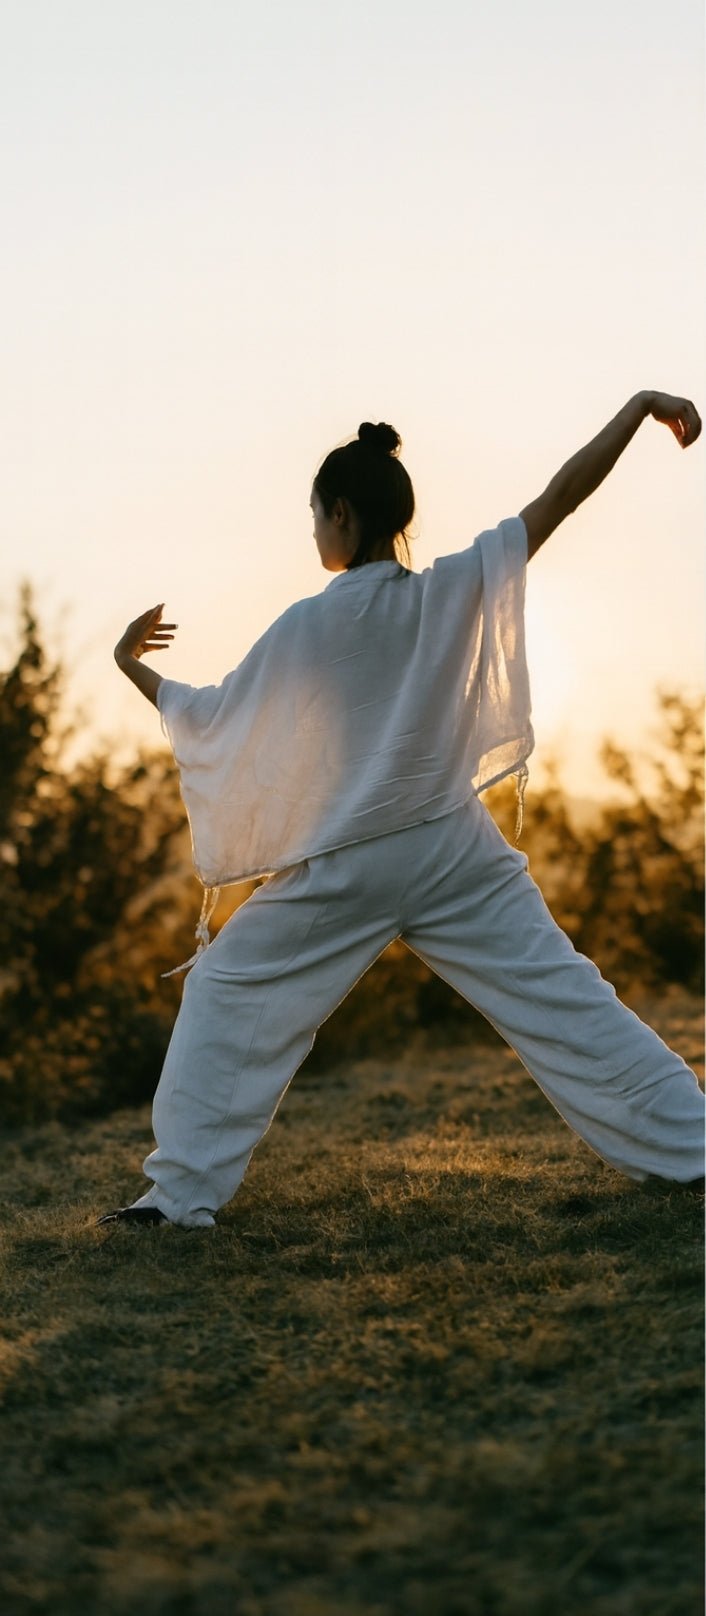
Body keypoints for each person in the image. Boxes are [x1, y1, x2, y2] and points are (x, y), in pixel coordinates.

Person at [99, 391, 705, 1229]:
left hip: (351, 861)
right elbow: (561, 497)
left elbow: (212, 716)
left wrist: (129, 663)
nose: (314, 530)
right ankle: (696, 1146)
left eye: (316, 515)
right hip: (456, 850)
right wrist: (636, 410)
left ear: (342, 515)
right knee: (567, 1001)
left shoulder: (307, 625)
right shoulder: (450, 588)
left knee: (225, 991)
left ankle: (176, 1197)